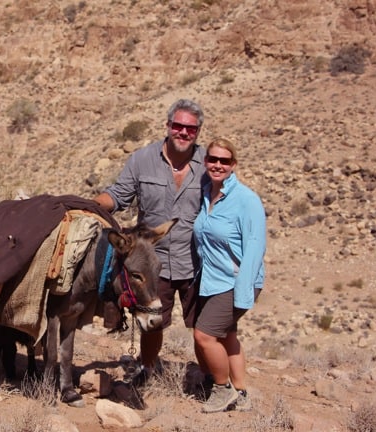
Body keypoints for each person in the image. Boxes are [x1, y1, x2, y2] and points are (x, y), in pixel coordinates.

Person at [94, 99, 208, 383]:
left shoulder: (209, 164)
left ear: (198, 131)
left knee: (204, 328)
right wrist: (91, 206)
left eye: (190, 128)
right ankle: (147, 370)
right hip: (154, 262)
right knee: (153, 323)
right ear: (168, 126)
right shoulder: (142, 159)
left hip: (198, 259)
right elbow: (119, 195)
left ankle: (211, 377)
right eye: (178, 126)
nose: (183, 132)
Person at [192, 137, 266, 413]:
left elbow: (255, 247)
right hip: (212, 279)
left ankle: (222, 389)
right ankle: (242, 393)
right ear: (205, 161)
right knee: (227, 335)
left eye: (224, 161)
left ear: (233, 165)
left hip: (235, 281)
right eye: (213, 159)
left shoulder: (246, 200)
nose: (218, 165)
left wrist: (243, 293)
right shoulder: (207, 192)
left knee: (204, 336)